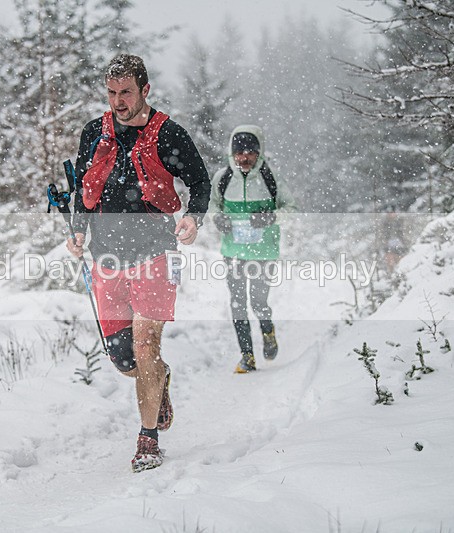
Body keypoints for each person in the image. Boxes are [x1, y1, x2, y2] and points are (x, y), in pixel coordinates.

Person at [66, 54, 210, 472]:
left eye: (126, 92)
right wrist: (78, 229)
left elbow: (199, 181)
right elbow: (81, 188)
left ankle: (148, 439)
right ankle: (158, 381)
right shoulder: (94, 133)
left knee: (147, 345)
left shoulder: (169, 134)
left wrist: (193, 217)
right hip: (106, 256)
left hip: (154, 253)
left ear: (145, 89)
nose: (118, 101)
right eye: (111, 93)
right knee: (126, 360)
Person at [210, 125, 296, 373]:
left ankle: (267, 330)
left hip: (263, 253)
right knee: (237, 303)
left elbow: (292, 209)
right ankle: (247, 355)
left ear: (259, 153)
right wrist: (219, 218)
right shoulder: (222, 178)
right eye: (239, 153)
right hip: (233, 252)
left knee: (258, 302)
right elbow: (213, 205)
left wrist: (271, 217)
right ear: (232, 153)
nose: (244, 158)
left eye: (250, 153)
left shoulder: (271, 178)